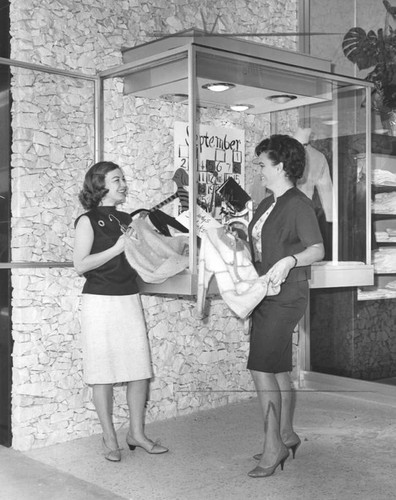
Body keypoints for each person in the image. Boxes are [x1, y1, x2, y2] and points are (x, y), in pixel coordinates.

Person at [73, 161, 168, 462]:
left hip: (128, 298)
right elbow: (80, 265)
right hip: (99, 303)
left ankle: (136, 435)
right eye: (117, 180)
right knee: (102, 373)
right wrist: (116, 248)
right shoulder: (86, 221)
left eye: (124, 179)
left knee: (139, 369)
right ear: (99, 185)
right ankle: (109, 438)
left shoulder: (128, 218)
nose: (124, 184)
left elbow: (142, 257)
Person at [247, 135, 324, 478]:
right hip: (266, 293)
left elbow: (316, 249)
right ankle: (287, 435)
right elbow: (264, 246)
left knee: (261, 367)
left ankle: (273, 446)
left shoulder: (298, 203)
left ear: (280, 166)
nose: (258, 169)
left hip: (287, 295)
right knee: (276, 368)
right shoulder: (267, 204)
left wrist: (291, 260)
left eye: (262, 164)